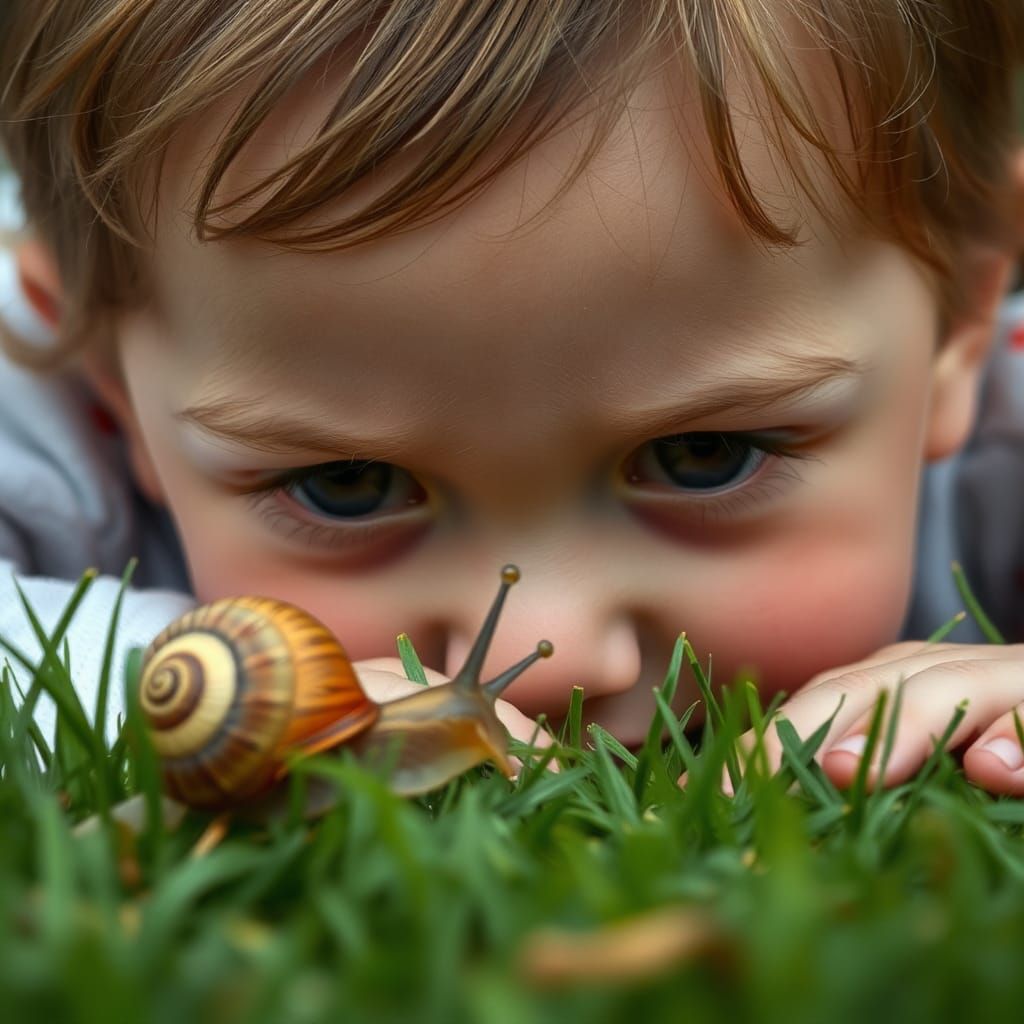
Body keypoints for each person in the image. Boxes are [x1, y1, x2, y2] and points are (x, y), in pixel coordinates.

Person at [1, 0, 1023, 794]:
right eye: (349, 485)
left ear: (960, 324)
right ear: (111, 384)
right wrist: (190, 690)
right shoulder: (39, 395)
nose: (550, 658)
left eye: (703, 455)